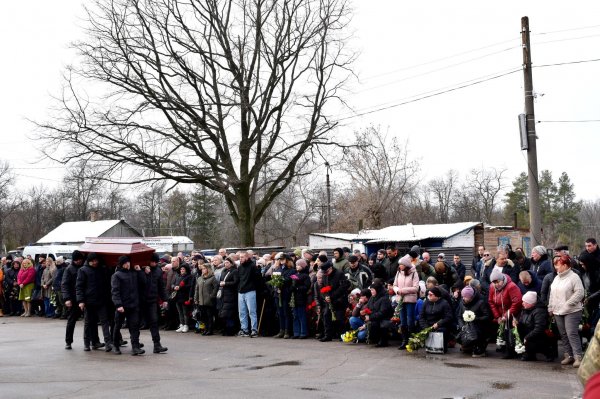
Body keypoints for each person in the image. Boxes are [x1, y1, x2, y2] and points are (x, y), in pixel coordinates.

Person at [549, 255, 585, 367]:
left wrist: (568, 303)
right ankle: (568, 355)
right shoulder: (556, 278)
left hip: (572, 310)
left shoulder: (574, 277)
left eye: (557, 265)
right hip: (557, 311)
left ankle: (578, 356)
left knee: (571, 333)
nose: (555, 267)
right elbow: (552, 294)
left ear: (565, 265)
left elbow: (580, 293)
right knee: (563, 334)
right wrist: (550, 307)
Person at [76, 253, 112, 351]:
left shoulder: (102, 269)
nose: (96, 262)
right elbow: (79, 287)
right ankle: (87, 343)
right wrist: (81, 301)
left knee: (105, 322)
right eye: (93, 261)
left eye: (97, 260)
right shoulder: (83, 270)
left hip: (101, 300)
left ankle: (108, 343)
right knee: (88, 323)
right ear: (89, 261)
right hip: (89, 301)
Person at [111, 256, 144, 355]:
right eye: (125, 263)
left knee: (134, 327)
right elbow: (115, 291)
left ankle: (135, 347)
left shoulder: (134, 273)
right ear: (121, 264)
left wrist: (139, 271)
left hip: (133, 305)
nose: (128, 264)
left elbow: (143, 283)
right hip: (122, 306)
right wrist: (118, 305)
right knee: (117, 326)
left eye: (128, 262)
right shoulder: (116, 275)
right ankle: (116, 345)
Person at [488, 269, 522, 359]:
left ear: (502, 279)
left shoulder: (511, 286)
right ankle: (506, 348)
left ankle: (512, 351)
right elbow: (491, 302)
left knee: (511, 332)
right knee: (503, 332)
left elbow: (517, 302)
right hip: (501, 313)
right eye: (494, 282)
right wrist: (497, 316)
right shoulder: (492, 287)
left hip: (513, 313)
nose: (496, 284)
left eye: (497, 282)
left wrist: (507, 315)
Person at [315, 259, 350, 342]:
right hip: (329, 301)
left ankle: (342, 335)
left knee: (339, 318)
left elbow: (343, 287)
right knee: (326, 315)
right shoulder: (325, 275)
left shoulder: (339, 274)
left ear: (331, 268)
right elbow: (322, 288)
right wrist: (326, 296)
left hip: (339, 299)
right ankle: (328, 335)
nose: (326, 273)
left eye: (327, 271)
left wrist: (332, 296)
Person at [513, 291, 553, 362]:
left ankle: (548, 352)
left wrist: (527, 337)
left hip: (539, 335)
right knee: (514, 331)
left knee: (532, 340)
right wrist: (516, 323)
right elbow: (521, 321)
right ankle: (529, 353)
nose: (522, 303)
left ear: (530, 303)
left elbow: (539, 328)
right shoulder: (525, 309)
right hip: (529, 331)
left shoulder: (539, 311)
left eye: (524, 302)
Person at [142, 253, 168, 353]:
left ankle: (157, 344)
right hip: (141, 300)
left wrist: (165, 299)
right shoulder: (142, 269)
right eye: (152, 261)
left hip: (152, 300)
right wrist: (144, 273)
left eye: (155, 262)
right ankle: (135, 344)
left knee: (154, 321)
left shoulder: (158, 270)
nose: (153, 263)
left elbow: (161, 286)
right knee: (135, 323)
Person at [393, 254, 419, 350]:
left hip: (410, 300)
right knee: (402, 321)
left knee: (410, 320)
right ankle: (404, 340)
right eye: (399, 264)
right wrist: (396, 290)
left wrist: (402, 290)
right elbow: (394, 284)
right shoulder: (398, 272)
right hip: (400, 299)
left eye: (401, 264)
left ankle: (412, 340)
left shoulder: (414, 273)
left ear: (406, 265)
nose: (400, 266)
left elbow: (416, 288)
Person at [456, 285, 490, 357]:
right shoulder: (462, 303)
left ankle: (480, 347)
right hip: (466, 326)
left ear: (471, 297)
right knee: (459, 336)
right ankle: (468, 346)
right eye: (463, 296)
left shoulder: (481, 302)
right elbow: (459, 316)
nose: (463, 298)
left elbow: (487, 316)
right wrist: (462, 326)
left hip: (479, 326)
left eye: (465, 297)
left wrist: (475, 318)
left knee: (475, 333)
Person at [61, 250, 85, 350]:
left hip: (85, 297)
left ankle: (93, 340)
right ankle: (68, 341)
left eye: (80, 260)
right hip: (74, 298)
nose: (78, 261)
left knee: (90, 321)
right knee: (71, 320)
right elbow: (65, 284)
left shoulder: (84, 268)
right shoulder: (69, 269)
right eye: (77, 260)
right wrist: (67, 298)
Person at [419, 286, 454, 353]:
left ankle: (442, 346)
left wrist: (438, 324)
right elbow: (421, 316)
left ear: (437, 296)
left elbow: (448, 317)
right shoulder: (426, 303)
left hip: (441, 325)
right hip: (429, 324)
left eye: (431, 295)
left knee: (443, 330)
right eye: (428, 294)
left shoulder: (444, 303)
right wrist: (425, 327)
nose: (428, 296)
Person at [237, 251, 261, 338]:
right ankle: (244, 329)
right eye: (240, 257)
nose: (241, 259)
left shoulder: (252, 266)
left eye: (242, 257)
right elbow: (239, 279)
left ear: (247, 257)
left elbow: (258, 278)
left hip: (250, 291)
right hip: (241, 291)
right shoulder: (239, 267)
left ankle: (254, 329)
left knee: (252, 311)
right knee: (242, 312)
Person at [193, 263, 219, 336]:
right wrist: (196, 298)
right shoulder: (199, 278)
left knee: (209, 316)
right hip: (201, 300)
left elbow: (216, 288)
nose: (203, 270)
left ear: (208, 269)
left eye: (204, 268)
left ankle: (210, 330)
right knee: (203, 316)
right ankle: (206, 329)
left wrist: (212, 296)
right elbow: (196, 289)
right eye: (202, 269)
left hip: (209, 301)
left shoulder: (212, 278)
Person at [217, 257, 239, 336]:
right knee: (222, 314)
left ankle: (231, 330)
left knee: (229, 314)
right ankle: (225, 329)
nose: (225, 264)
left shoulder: (235, 271)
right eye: (225, 263)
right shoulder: (224, 271)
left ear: (231, 263)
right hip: (223, 295)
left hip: (231, 295)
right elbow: (221, 280)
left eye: (227, 263)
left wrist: (226, 284)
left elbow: (235, 282)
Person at [291, 259, 312, 339]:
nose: (297, 266)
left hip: (301, 298)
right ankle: (296, 332)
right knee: (295, 316)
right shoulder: (295, 274)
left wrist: (296, 288)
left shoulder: (305, 276)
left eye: (299, 265)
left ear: (303, 266)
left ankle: (303, 332)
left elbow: (306, 287)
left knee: (302, 316)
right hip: (294, 298)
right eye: (296, 265)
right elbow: (292, 284)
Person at [172, 263, 193, 333]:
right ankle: (182, 324)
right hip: (177, 297)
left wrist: (180, 287)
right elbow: (172, 284)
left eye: (183, 269)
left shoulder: (189, 276)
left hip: (185, 296)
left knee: (185, 312)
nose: (182, 270)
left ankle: (186, 325)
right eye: (181, 269)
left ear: (186, 270)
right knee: (180, 312)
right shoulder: (177, 276)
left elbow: (190, 286)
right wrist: (174, 287)